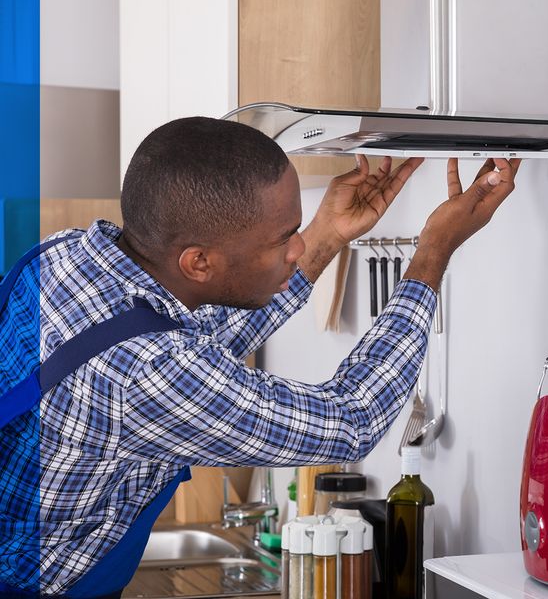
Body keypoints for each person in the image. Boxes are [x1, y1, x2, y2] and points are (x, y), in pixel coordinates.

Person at [0, 116, 520, 597]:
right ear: (198, 261)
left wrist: (326, 233)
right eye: (282, 239)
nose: (295, 249)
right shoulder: (146, 373)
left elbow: (202, 335)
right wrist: (432, 254)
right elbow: (351, 420)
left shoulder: (72, 254)